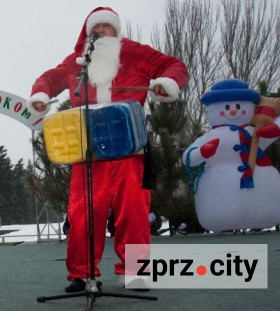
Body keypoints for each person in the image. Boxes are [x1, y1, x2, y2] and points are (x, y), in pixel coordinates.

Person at [27, 7, 188, 292]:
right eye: (95, 28)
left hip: (129, 150)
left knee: (135, 214)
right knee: (83, 213)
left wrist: (166, 83)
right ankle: (82, 273)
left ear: (117, 30)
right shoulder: (78, 63)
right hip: (88, 152)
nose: (101, 32)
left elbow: (173, 66)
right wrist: (41, 96)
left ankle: (134, 272)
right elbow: (50, 79)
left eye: (106, 26)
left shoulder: (135, 53)